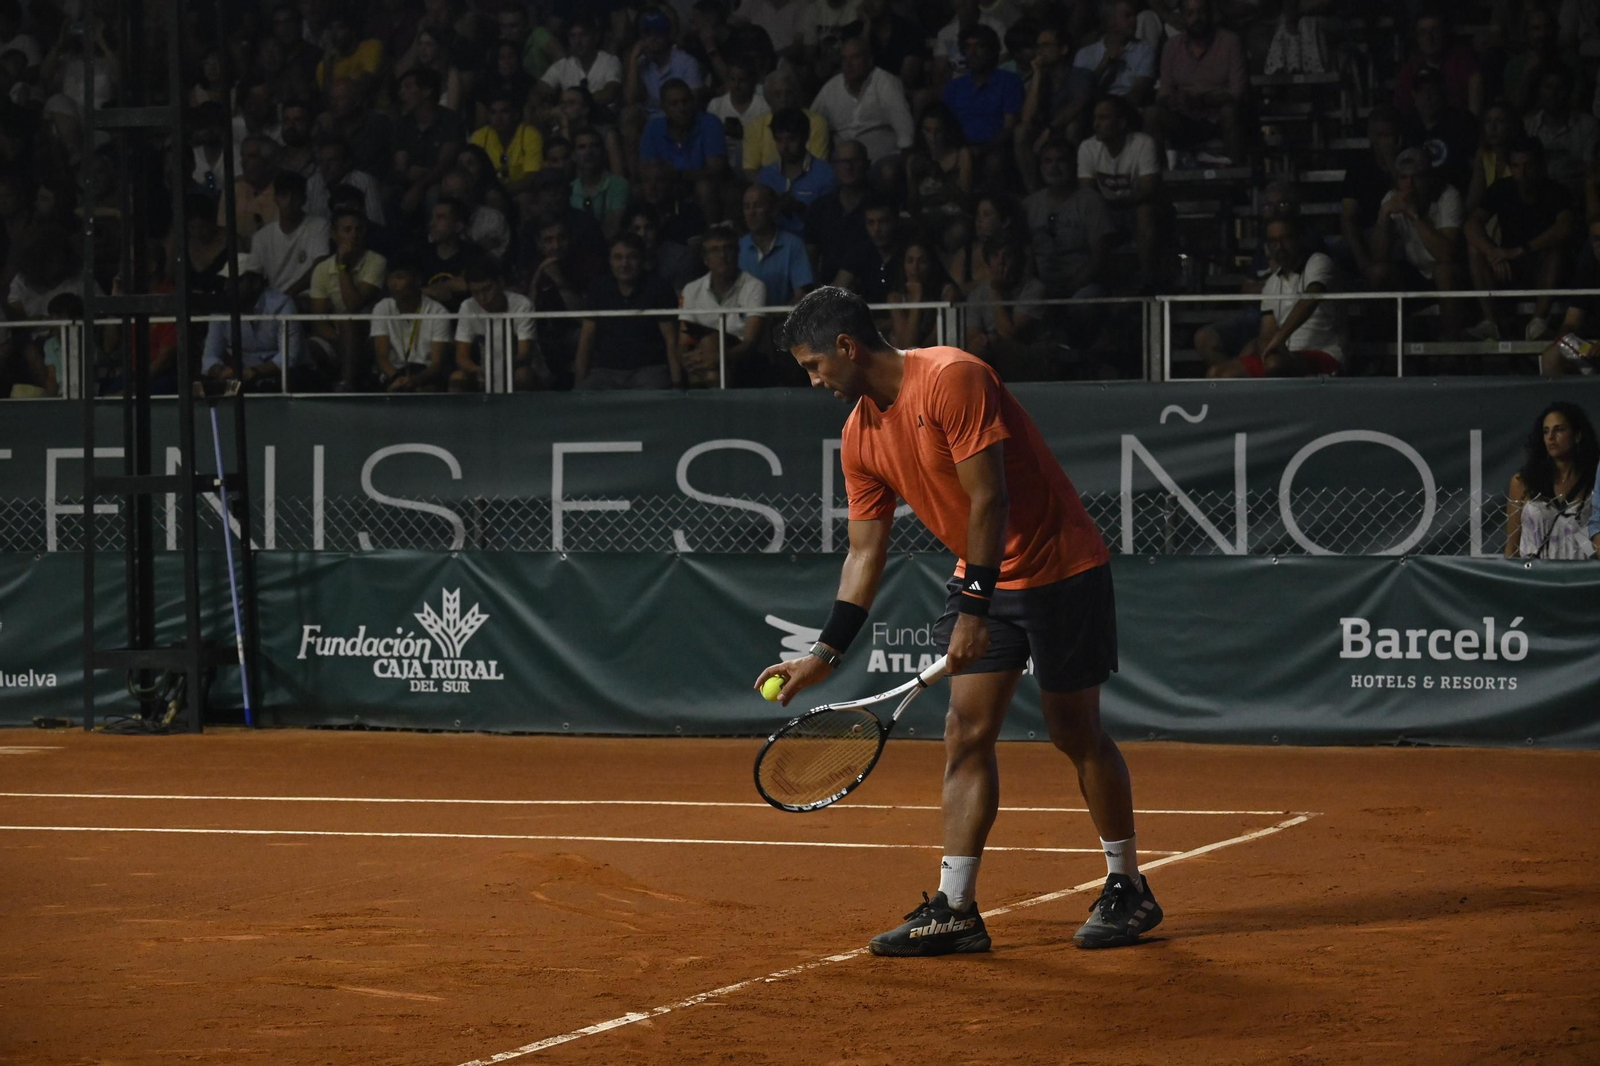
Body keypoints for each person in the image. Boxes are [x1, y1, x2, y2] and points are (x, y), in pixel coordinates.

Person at [757, 286, 1160, 957]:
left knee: (1075, 730)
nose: (814, 379)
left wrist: (974, 606)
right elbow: (865, 552)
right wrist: (825, 653)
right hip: (984, 578)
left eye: (814, 365)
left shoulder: (953, 377)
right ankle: (956, 908)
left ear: (847, 348)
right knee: (965, 731)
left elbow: (990, 497)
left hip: (1061, 568)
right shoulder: (860, 434)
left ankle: (1128, 887)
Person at [1464, 138, 1575, 342]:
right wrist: (1492, 253)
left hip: (1542, 267)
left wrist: (1520, 250)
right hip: (1507, 267)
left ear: (1541, 165)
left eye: (1528, 165)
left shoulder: (1556, 191)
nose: (1522, 173)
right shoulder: (1502, 188)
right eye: (1515, 166)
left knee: (1555, 248)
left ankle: (1538, 322)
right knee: (1474, 248)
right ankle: (1491, 323)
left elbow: (1565, 227)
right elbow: (1472, 224)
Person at [1208, 215, 1345, 377]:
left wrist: (1278, 339)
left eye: (1285, 239)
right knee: (1218, 372)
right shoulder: (1271, 283)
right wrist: (1265, 348)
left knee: (1275, 364)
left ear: (1300, 239)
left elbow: (1310, 299)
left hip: (1324, 354)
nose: (1279, 246)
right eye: (1273, 241)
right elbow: (1267, 333)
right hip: (1284, 355)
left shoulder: (1318, 262)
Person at [1368, 148, 1463, 328]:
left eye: (1417, 177)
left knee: (1444, 271)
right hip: (1416, 272)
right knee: (1378, 273)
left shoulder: (1448, 196)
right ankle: (1388, 346)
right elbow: (1379, 257)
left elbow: (1447, 255)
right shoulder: (1391, 199)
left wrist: (1414, 215)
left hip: (1453, 274)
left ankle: (1452, 346)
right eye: (1403, 178)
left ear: (1429, 178)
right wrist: (1383, 216)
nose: (1410, 186)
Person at [575, 233, 683, 389]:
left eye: (631, 257)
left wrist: (677, 384)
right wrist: (578, 386)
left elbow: (671, 339)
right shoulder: (598, 288)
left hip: (649, 370)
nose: (624, 264)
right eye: (618, 258)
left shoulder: (659, 287)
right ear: (610, 260)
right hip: (604, 372)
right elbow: (587, 337)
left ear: (642, 259)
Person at [1147, 0, 1246, 163]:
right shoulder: (1171, 47)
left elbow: (1238, 94)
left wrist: (1200, 100)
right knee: (1152, 114)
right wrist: (1175, 100)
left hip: (1218, 118)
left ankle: (1238, 178)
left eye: (1201, 12)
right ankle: (1156, 178)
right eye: (1190, 13)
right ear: (1183, 16)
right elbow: (1164, 92)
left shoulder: (1231, 42)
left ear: (1209, 14)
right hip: (1184, 118)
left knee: (1231, 112)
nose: (1197, 18)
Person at [1078, 95, 1161, 285]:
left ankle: (1149, 279)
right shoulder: (1088, 147)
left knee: (1145, 211)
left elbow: (1148, 190)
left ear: (1122, 122)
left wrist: (1110, 204)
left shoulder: (1142, 143)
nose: (1096, 124)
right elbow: (1087, 194)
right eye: (1095, 118)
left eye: (1103, 118)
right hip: (1107, 214)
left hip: (1134, 212)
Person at [201, 252, 308, 392]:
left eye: (236, 281)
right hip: (244, 380)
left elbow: (289, 357)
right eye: (226, 280)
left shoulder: (282, 305)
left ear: (256, 283)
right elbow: (210, 356)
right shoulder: (221, 308)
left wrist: (253, 372)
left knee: (293, 379)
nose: (227, 287)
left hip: (283, 377)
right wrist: (220, 371)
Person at [679, 223, 769, 387]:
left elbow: (750, 342)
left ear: (737, 253)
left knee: (713, 343)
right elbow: (684, 341)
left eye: (728, 249)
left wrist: (718, 357)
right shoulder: (691, 289)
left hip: (741, 359)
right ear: (705, 259)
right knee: (706, 356)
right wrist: (688, 360)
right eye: (715, 250)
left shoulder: (755, 286)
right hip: (703, 358)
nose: (722, 255)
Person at [308, 207, 387, 391]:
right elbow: (318, 321)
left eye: (358, 229)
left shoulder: (376, 261)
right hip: (338, 337)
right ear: (334, 235)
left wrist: (343, 267)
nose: (354, 235)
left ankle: (348, 384)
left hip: (371, 334)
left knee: (348, 321)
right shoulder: (322, 269)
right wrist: (344, 342)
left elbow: (353, 304)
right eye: (347, 230)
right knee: (310, 346)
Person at [1504, 402, 1598, 559]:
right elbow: (1512, 548)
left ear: (1577, 435)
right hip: (1533, 572)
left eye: (1559, 430)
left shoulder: (1594, 481)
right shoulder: (1522, 482)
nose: (1551, 437)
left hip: (1581, 575)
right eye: (1546, 431)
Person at [1026, 140, 1114, 299]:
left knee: (1086, 300)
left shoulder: (1091, 201)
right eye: (1048, 161)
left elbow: (1099, 256)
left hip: (1083, 284)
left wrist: (1072, 286)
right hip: (1039, 285)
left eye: (1061, 160)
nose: (1054, 167)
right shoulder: (1029, 205)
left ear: (1073, 165)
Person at [811, 36, 916, 165]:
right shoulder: (831, 89)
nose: (849, 65)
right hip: (842, 165)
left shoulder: (885, 83)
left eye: (855, 58)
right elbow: (811, 123)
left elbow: (905, 133)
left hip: (879, 162)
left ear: (869, 60)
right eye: (844, 59)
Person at [640, 79, 728, 224]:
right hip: (665, 185)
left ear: (692, 102)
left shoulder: (710, 123)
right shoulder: (653, 128)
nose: (681, 108)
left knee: (704, 187)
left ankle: (713, 234)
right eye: (674, 104)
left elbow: (717, 168)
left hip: (701, 184)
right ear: (663, 107)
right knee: (644, 189)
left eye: (685, 101)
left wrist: (678, 174)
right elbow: (646, 168)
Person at [453, 257, 545, 392]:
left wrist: (500, 366)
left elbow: (525, 353)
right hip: (484, 372)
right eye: (475, 292)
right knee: (458, 378)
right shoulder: (467, 307)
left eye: (487, 289)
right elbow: (461, 357)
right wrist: (478, 370)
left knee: (523, 375)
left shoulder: (521, 305)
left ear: (500, 282)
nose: (482, 298)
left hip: (517, 370)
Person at [370, 259, 450, 392]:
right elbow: (381, 356)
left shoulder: (438, 311)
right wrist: (397, 379)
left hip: (425, 375)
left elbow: (437, 364)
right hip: (393, 373)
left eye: (400, 277)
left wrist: (414, 380)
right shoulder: (382, 307)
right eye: (390, 278)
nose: (393, 284)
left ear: (417, 280)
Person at [251, 170, 331, 303]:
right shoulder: (261, 237)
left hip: (307, 300)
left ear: (304, 199)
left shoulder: (319, 226)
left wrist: (286, 297)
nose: (289, 201)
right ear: (276, 198)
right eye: (284, 195)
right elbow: (255, 277)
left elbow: (320, 268)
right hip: (273, 303)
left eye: (295, 196)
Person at [941, 24, 1024, 151]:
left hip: (996, 148)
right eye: (968, 47)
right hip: (962, 149)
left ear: (992, 50)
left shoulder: (1009, 81)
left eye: (980, 46)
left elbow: (1010, 127)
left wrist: (983, 150)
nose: (973, 53)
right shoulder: (954, 86)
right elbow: (946, 126)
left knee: (994, 161)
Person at [757, 108, 838, 234]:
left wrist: (799, 208)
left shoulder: (826, 174)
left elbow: (829, 223)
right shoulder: (766, 176)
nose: (785, 146)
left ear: (805, 137)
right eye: (779, 140)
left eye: (791, 139)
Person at [1523, 63, 1599, 195]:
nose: (1553, 94)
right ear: (1539, 90)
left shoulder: (1588, 125)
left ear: (1569, 91)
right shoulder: (1528, 125)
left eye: (1560, 88)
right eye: (1548, 87)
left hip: (1576, 197)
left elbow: (1591, 171)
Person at [807, 140, 873, 285]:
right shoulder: (820, 207)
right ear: (833, 166)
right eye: (842, 162)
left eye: (854, 161)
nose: (848, 167)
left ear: (867, 164)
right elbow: (810, 256)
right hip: (827, 292)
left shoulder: (879, 205)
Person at [744, 69, 831, 178]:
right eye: (777, 94)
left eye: (788, 93)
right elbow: (750, 170)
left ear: (796, 94)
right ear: (768, 98)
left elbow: (818, 167)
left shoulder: (816, 122)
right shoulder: (754, 126)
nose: (783, 99)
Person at [1540, 218, 1600, 375]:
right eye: (1596, 239)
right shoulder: (1588, 271)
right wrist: (1565, 335)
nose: (1599, 244)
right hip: (1591, 347)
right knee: (1552, 355)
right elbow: (1572, 321)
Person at [1394, 10, 1482, 117]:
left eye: (1435, 31)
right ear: (1417, 37)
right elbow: (1403, 107)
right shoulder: (1410, 69)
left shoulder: (1462, 59)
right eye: (1423, 33)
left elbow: (1475, 84)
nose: (1429, 38)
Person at [739, 183, 814, 304]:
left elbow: (801, 296)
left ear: (773, 209)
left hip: (783, 320)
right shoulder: (738, 247)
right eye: (747, 207)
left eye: (758, 206)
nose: (751, 213)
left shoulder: (793, 245)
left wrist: (780, 319)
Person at [886, 238, 961, 347]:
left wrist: (917, 297)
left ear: (931, 264)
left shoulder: (948, 293)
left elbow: (936, 339)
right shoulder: (895, 297)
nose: (915, 267)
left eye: (922, 261)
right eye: (910, 261)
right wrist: (917, 298)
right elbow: (906, 345)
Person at [535, 17, 622, 110]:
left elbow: (610, 93)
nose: (577, 41)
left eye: (583, 35)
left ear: (595, 37)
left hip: (602, 120)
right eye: (572, 36)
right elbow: (538, 92)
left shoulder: (610, 61)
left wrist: (573, 103)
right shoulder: (563, 65)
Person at [469, 90, 544, 192]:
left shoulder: (530, 135)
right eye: (493, 113)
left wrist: (502, 192)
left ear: (516, 114)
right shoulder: (480, 136)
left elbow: (532, 176)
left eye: (504, 112)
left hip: (522, 192)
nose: (498, 118)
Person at [832, 195, 902, 303]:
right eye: (871, 222)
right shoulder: (859, 252)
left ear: (895, 221)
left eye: (883, 222)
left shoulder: (908, 252)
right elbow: (836, 291)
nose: (877, 229)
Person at [706, 57, 769, 171]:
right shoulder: (716, 105)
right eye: (732, 79)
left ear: (752, 81)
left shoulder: (763, 106)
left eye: (742, 80)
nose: (736, 85)